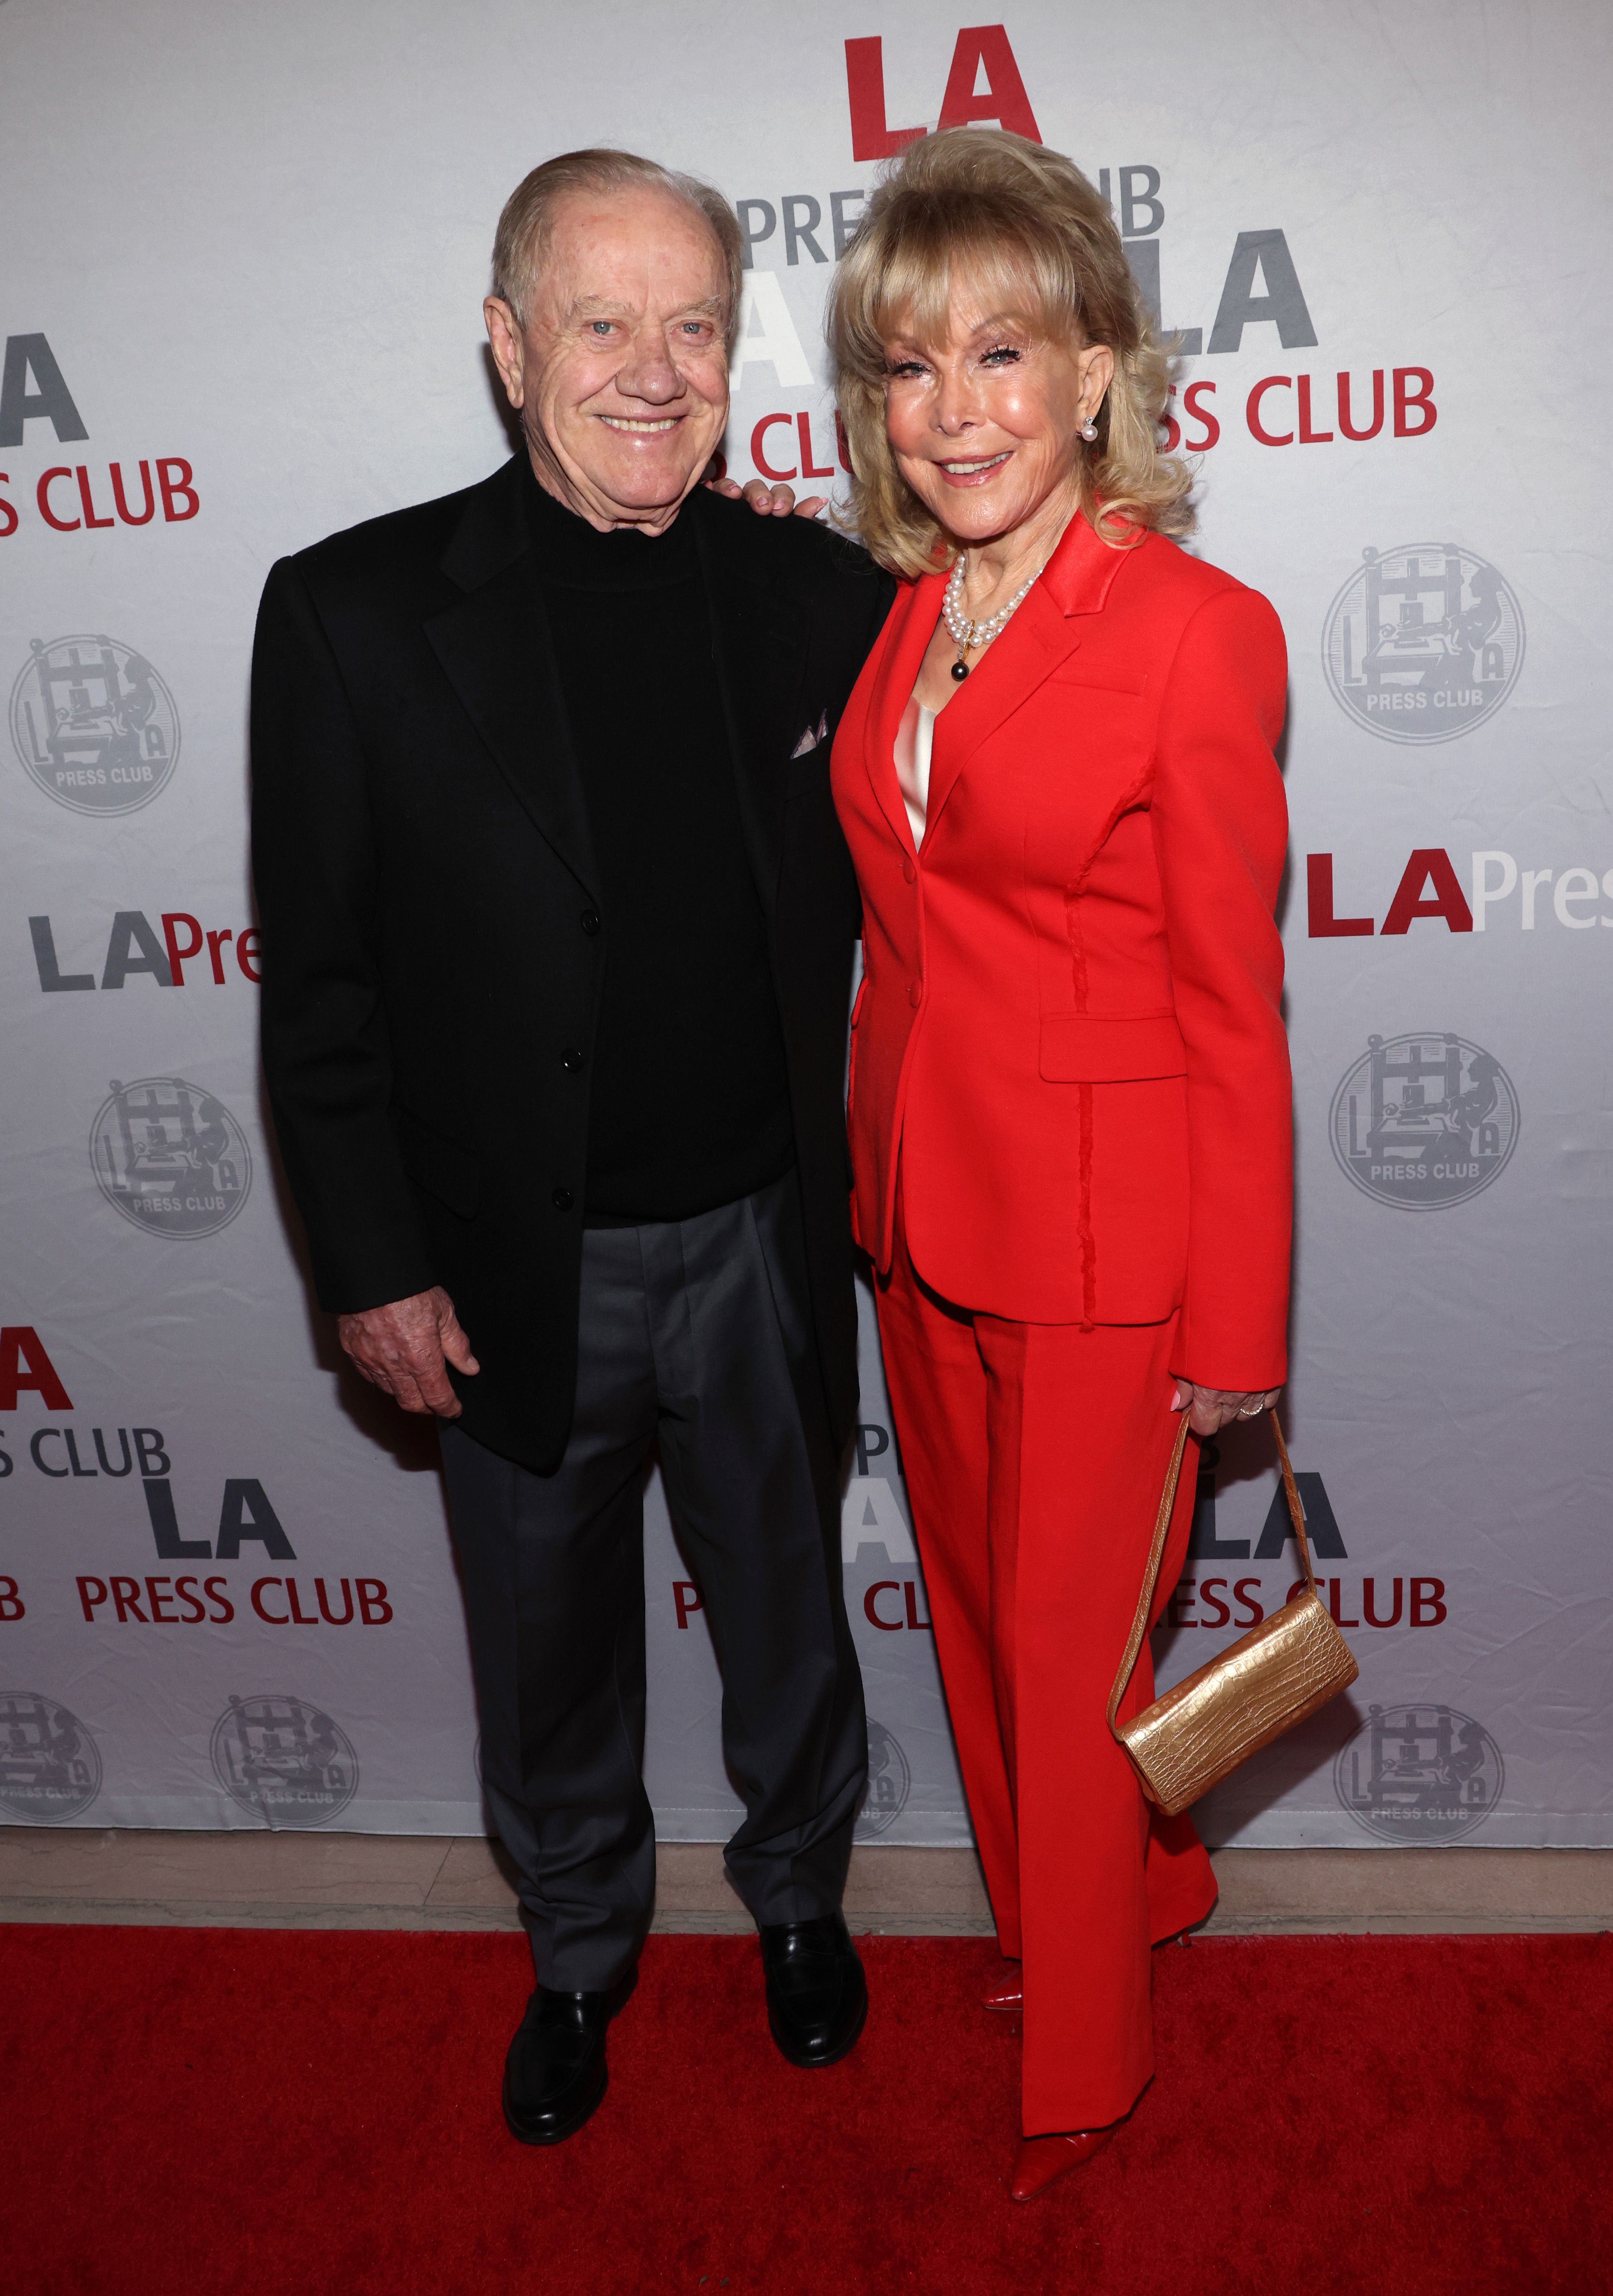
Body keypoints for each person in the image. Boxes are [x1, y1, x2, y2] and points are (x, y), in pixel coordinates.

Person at [251, 147, 895, 2147]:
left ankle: (799, 1899)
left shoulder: (814, 588)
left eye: (693, 323)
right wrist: (365, 1262)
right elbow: (324, 987)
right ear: (508, 340)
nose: (651, 369)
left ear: (735, 351)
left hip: (768, 1234)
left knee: (789, 1615)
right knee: (545, 1657)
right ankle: (582, 1953)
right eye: (600, 321)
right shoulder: (352, 614)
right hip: (508, 1265)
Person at [826, 128, 1292, 2201]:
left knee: (1077, 1655)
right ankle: (1099, 1918)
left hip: (1112, 1251)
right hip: (924, 1226)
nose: (958, 417)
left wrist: (1238, 1323)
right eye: (915, 372)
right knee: (988, 1631)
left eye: (1003, 357)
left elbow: (1229, 1010)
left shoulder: (1198, 630)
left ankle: (1085, 2077)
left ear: (1097, 369)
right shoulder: (910, 609)